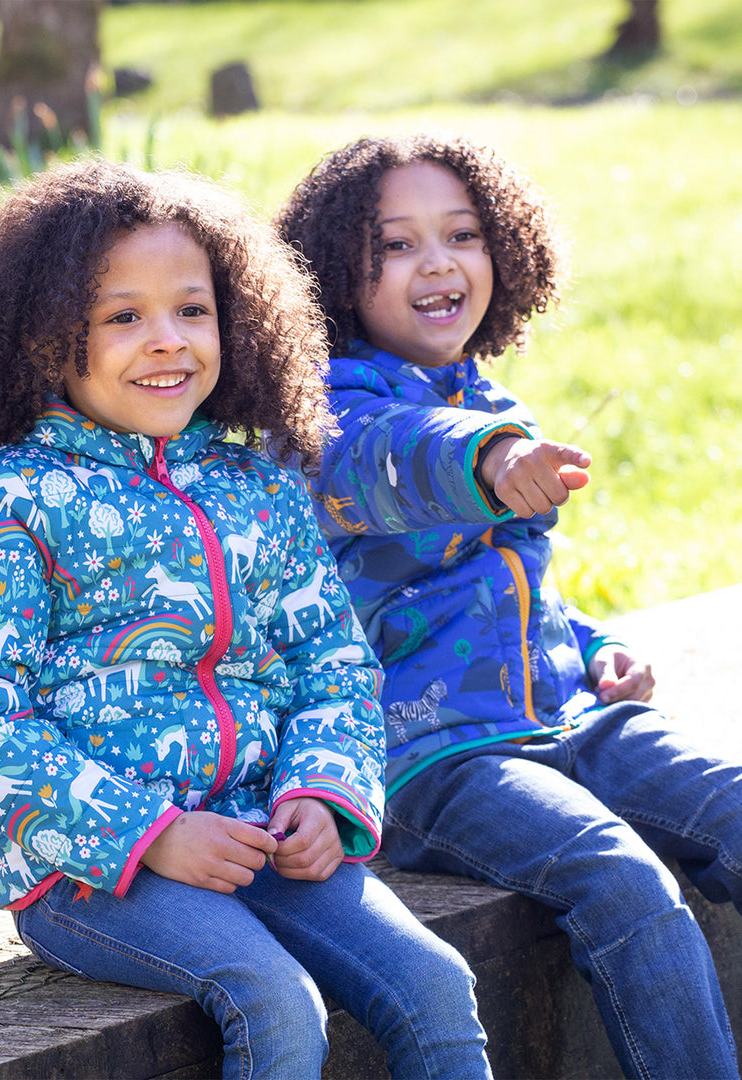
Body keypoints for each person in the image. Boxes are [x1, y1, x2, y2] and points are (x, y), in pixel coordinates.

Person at [0, 159, 493, 1079]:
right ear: (47, 337)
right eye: (122, 317)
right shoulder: (11, 497)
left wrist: (321, 793)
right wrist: (153, 832)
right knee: (275, 1002)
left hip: (261, 831)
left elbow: (329, 660)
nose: (168, 341)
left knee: (434, 980)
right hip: (88, 866)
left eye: (192, 309)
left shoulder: (254, 482)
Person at [277, 133, 742, 1079]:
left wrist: (596, 646)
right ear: (333, 273)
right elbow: (402, 457)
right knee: (619, 878)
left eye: (462, 235)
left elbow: (510, 587)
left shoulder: (489, 393)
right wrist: (490, 458)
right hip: (427, 754)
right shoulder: (323, 417)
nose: (439, 262)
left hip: (565, 717)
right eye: (396, 245)